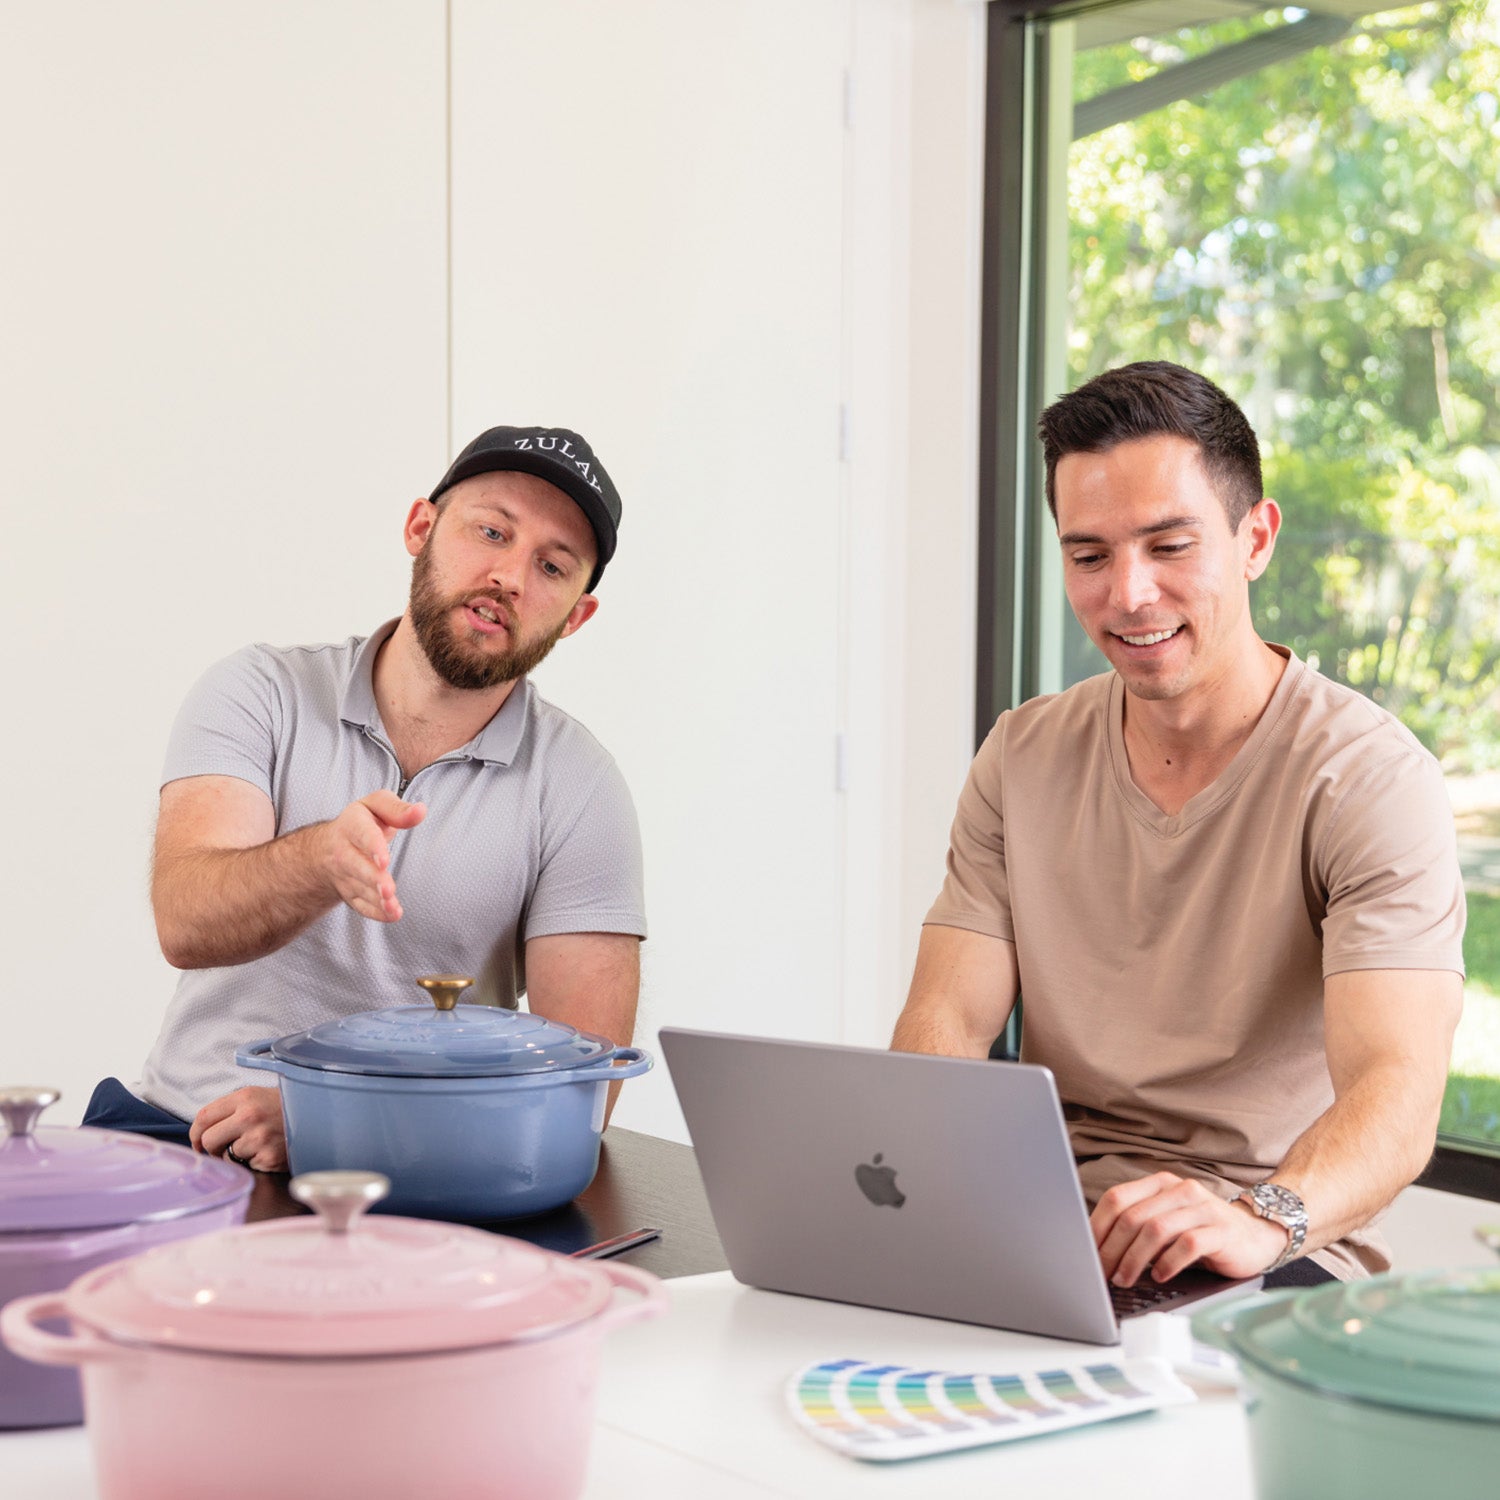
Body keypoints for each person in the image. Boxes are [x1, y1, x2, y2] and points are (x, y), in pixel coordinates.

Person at [891, 361, 1465, 1287]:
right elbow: (946, 1014)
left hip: (1271, 1238)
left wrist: (1259, 1219)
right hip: (1050, 1216)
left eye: (1169, 546)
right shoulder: (1022, 755)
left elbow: (1397, 1089)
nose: (1128, 594)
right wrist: (924, 1172)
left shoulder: (1369, 778)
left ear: (1256, 538)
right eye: (1089, 556)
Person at [84, 425, 646, 1171]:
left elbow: (585, 1093)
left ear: (575, 616)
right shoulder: (262, 691)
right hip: (188, 1137)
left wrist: (341, 1121)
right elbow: (185, 921)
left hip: (423, 1173)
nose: (510, 576)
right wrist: (319, 860)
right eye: (491, 531)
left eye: (551, 565)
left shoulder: (582, 788)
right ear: (421, 528)